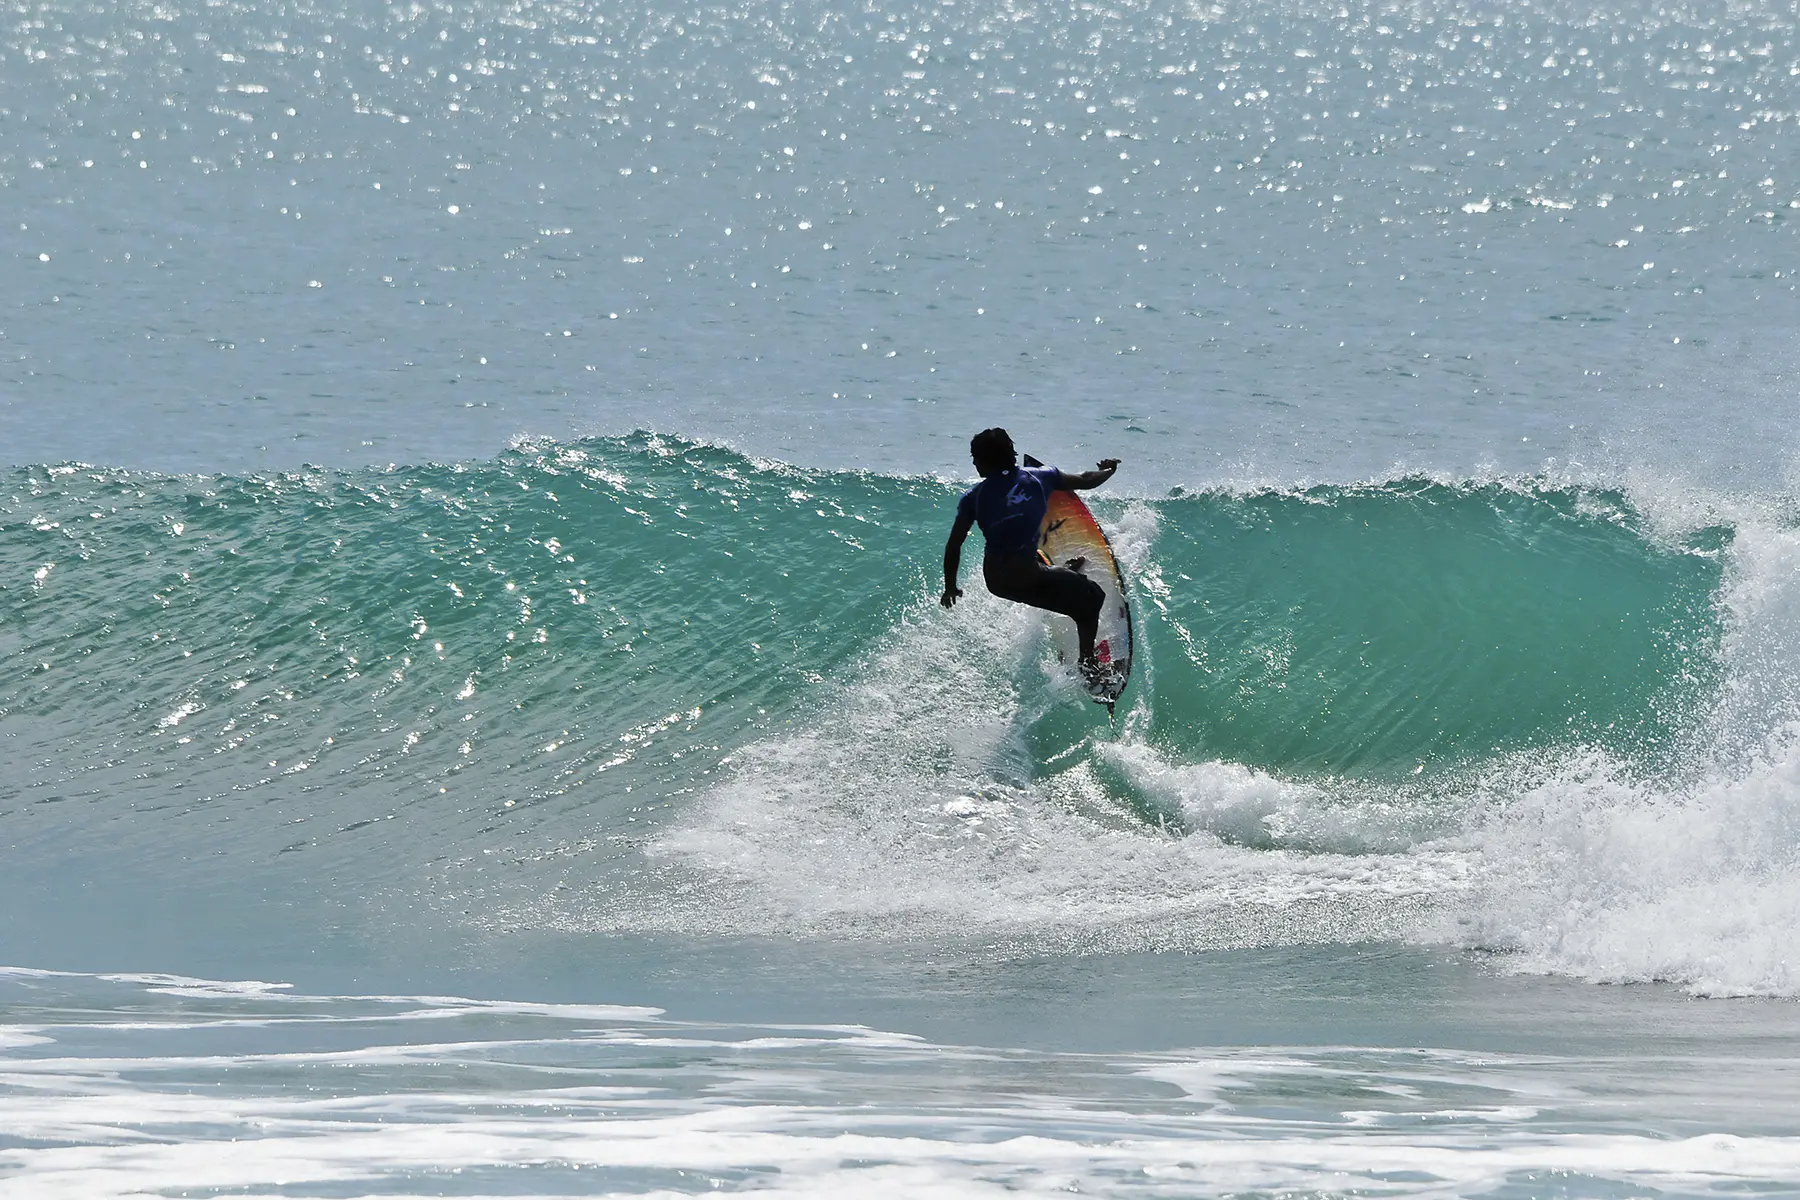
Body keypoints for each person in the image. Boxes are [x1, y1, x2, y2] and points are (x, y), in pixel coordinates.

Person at [940, 427, 1121, 677]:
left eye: (975, 457)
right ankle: (1087, 662)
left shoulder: (973, 497)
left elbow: (954, 545)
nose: (973, 462)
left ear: (985, 460)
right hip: (1027, 578)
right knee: (1093, 598)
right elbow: (1086, 480)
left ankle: (1059, 572)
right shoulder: (1041, 478)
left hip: (995, 580)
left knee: (1023, 547)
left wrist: (950, 586)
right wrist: (1108, 470)